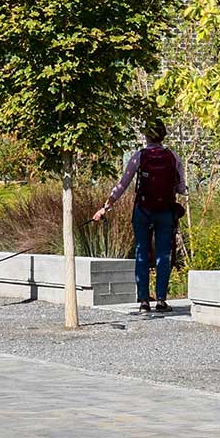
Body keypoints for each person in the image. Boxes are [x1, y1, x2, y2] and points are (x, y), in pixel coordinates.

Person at [93, 120, 186, 314]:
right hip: (166, 212)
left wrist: (106, 207)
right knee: (163, 255)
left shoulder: (139, 156)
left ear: (146, 136)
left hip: (143, 210)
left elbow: (123, 184)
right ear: (163, 136)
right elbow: (181, 188)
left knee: (142, 254)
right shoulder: (173, 157)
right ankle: (161, 300)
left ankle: (144, 300)